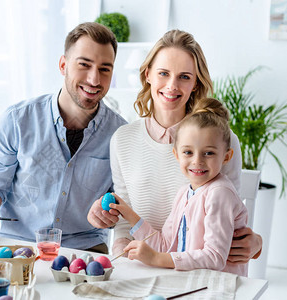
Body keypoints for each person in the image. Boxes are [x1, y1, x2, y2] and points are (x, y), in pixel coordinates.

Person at [87, 29, 262, 264]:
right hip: (142, 265)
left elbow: (228, 219)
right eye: (163, 73)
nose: (172, 85)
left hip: (199, 274)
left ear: (196, 83)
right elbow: (124, 224)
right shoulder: (123, 139)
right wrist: (123, 255)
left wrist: (255, 244)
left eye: (184, 77)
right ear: (148, 74)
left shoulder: (222, 141)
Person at [0, 22, 127, 253]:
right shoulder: (17, 120)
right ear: (63, 65)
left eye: (104, 69)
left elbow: (122, 199)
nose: (94, 79)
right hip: (18, 242)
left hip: (85, 247)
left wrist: (110, 213)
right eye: (84, 65)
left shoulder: (121, 135)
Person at [111, 97, 248, 276]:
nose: (197, 161)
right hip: (189, 281)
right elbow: (166, 246)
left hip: (217, 287)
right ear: (177, 155)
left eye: (209, 153)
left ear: (226, 157)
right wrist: (129, 215)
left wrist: (156, 259)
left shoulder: (220, 193)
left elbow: (215, 257)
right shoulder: (185, 193)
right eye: (188, 152)